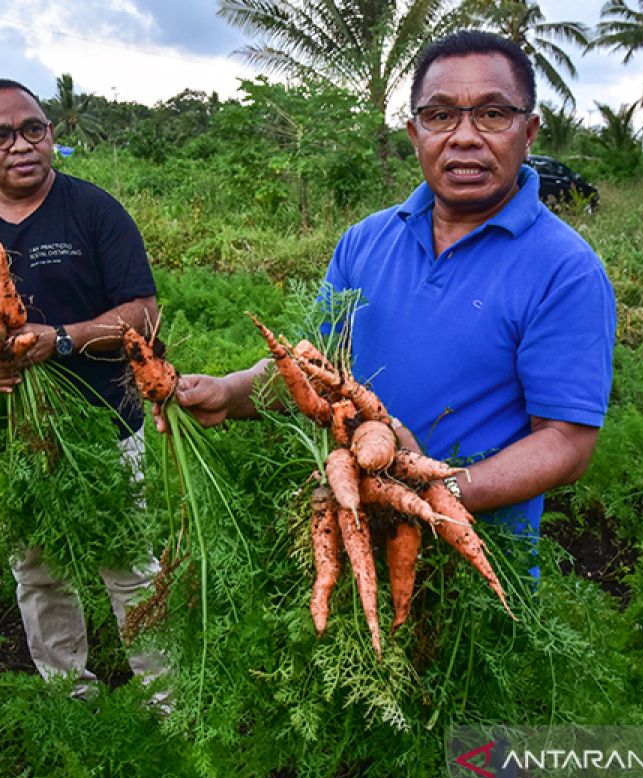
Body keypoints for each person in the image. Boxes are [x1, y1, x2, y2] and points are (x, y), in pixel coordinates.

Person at [162, 30, 616, 551]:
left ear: (529, 131)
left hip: (476, 572)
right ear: (414, 131)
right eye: (441, 115)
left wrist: (435, 490)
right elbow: (314, 373)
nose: (464, 136)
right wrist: (230, 391)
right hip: (351, 532)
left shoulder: (565, 269)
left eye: (492, 114)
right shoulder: (366, 241)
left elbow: (567, 442)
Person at [0, 79, 166, 693]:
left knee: (130, 564)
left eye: (35, 129)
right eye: (1, 136)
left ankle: (169, 700)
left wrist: (59, 339)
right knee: (37, 570)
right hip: (18, 435)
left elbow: (143, 311)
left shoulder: (93, 209)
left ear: (51, 134)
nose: (23, 146)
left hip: (105, 425)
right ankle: (69, 694)